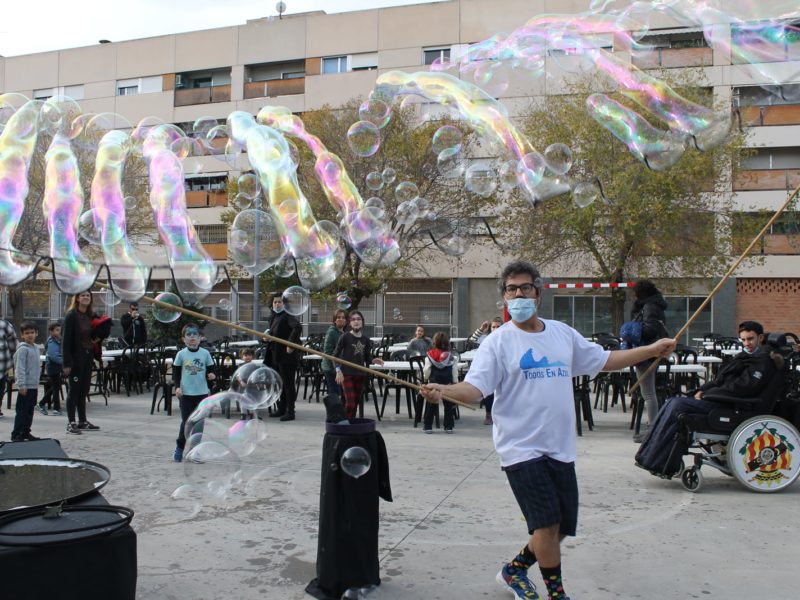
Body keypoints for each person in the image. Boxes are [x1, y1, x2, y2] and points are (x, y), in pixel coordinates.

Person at [420, 260, 675, 600]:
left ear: (538, 293)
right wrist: (445, 392)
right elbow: (474, 388)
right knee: (546, 526)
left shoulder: (562, 334)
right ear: (504, 299)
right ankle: (557, 595)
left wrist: (652, 350)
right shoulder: (497, 343)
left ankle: (514, 571)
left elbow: (605, 359)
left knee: (559, 529)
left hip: (560, 447)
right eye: (511, 289)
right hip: (520, 448)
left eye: (525, 288)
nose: (518, 294)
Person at [635, 320, 781, 479]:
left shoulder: (764, 361)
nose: (747, 343)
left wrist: (708, 394)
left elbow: (743, 388)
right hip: (722, 399)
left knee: (676, 405)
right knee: (672, 402)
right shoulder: (746, 357)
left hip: (735, 406)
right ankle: (650, 456)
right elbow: (720, 380)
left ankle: (655, 460)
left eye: (750, 339)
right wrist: (702, 390)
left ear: (760, 338)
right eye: (743, 339)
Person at [628, 280, 669, 443]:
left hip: (647, 352)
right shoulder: (652, 305)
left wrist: (633, 331)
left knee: (649, 394)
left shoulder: (649, 307)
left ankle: (653, 430)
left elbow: (650, 330)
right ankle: (652, 428)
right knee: (649, 393)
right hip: (649, 351)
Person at [172, 323, 216, 462]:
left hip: (202, 394)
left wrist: (212, 377)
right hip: (186, 395)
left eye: (195, 334)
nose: (192, 337)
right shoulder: (181, 354)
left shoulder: (205, 353)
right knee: (187, 423)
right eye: (188, 335)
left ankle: (194, 451)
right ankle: (179, 448)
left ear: (200, 338)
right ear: (183, 339)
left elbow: (211, 371)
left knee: (199, 424)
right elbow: (176, 374)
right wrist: (177, 387)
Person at [62, 290, 100, 434]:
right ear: (77, 298)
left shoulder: (89, 316)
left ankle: (82, 421)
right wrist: (66, 363)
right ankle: (71, 422)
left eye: (88, 296)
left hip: (88, 355)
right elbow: (65, 341)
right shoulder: (72, 315)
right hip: (76, 358)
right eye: (82, 295)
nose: (85, 297)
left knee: (84, 390)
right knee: (74, 390)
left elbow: (94, 335)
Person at [334, 310, 384, 419]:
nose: (356, 322)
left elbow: (367, 357)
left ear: (362, 322)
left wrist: (374, 360)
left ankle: (348, 424)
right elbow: (335, 356)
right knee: (350, 403)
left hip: (360, 375)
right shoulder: (345, 337)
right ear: (349, 323)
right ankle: (345, 425)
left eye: (358, 319)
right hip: (346, 374)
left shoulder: (366, 339)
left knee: (355, 403)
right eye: (353, 319)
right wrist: (338, 370)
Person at [267, 292, 302, 422]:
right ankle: (281, 408)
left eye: (279, 302)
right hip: (275, 355)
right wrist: (266, 338)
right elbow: (273, 334)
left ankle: (290, 411)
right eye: (275, 302)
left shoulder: (288, 315)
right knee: (279, 383)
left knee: (288, 384)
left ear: (284, 303)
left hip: (287, 356)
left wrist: (291, 343)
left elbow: (297, 327)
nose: (277, 304)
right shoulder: (273, 317)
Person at [422, 331, 459, 433]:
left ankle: (428, 426)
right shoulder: (451, 356)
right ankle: (448, 427)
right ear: (447, 342)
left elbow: (427, 371)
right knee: (449, 406)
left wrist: (425, 380)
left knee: (431, 404)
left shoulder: (429, 355)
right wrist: (455, 383)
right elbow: (454, 372)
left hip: (433, 384)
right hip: (447, 384)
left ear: (434, 342)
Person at [10, 321, 41, 442]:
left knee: (29, 411)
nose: (30, 335)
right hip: (25, 386)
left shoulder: (36, 348)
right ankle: (16, 434)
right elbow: (20, 368)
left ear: (36, 333)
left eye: (32, 332)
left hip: (33, 386)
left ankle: (26, 432)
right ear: (22, 335)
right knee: (22, 412)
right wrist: (21, 384)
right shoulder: (23, 350)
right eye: (27, 333)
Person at [321, 309, 348, 398]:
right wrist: (336, 370)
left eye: (343, 317)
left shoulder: (343, 332)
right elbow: (328, 352)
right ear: (334, 320)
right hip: (330, 368)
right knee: (334, 393)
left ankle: (338, 410)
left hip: (339, 367)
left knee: (340, 393)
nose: (341, 319)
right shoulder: (332, 332)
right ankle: (333, 411)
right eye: (338, 317)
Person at [39, 322, 63, 416]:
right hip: (53, 367)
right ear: (51, 332)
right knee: (56, 387)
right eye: (57, 330)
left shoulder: (57, 340)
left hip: (56, 367)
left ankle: (45, 404)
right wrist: (64, 362)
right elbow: (54, 356)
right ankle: (54, 407)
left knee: (56, 387)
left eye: (59, 330)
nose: (59, 332)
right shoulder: (52, 341)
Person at [0, 316, 18, 418]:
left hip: (2, 363)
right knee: (1, 386)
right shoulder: (5, 325)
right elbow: (13, 345)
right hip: (2, 363)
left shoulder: (5, 325)